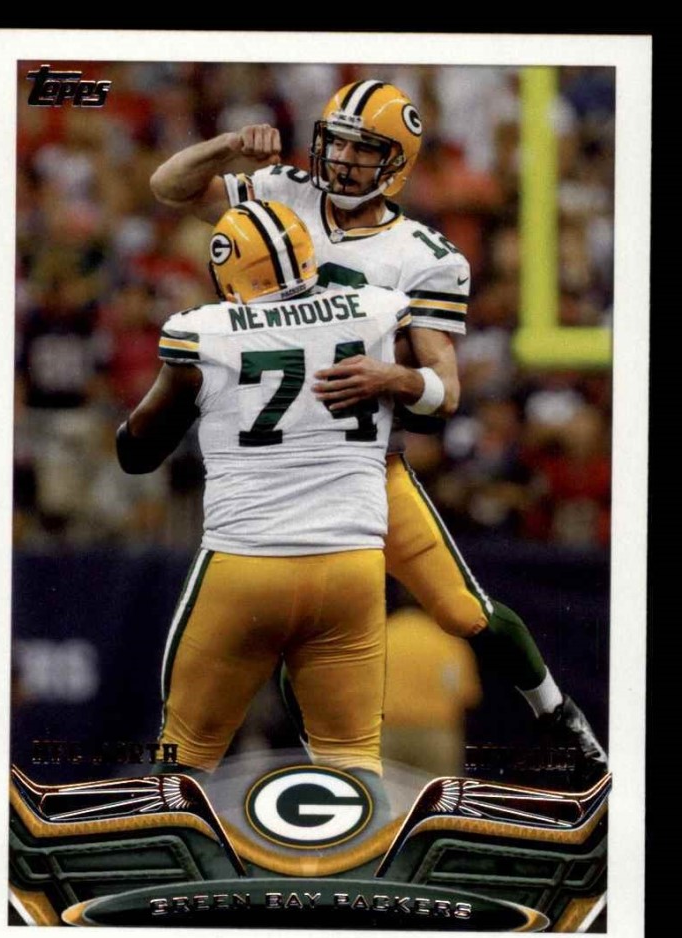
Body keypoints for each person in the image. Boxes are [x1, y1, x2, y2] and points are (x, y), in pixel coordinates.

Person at [149, 79, 608, 788]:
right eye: (334, 143)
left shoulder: (423, 255)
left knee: (463, 609)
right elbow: (168, 186)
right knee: (296, 651)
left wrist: (390, 377)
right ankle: (316, 792)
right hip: (272, 475)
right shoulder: (284, 191)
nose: (340, 161)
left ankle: (558, 713)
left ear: (396, 163)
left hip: (361, 472)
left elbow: (445, 392)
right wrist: (226, 146)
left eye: (361, 150)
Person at [117, 199, 416, 783]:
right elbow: (422, 403)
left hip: (246, 563)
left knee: (183, 762)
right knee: (354, 764)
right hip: (351, 563)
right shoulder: (377, 310)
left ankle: (177, 846)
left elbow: (137, 451)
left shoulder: (202, 333)